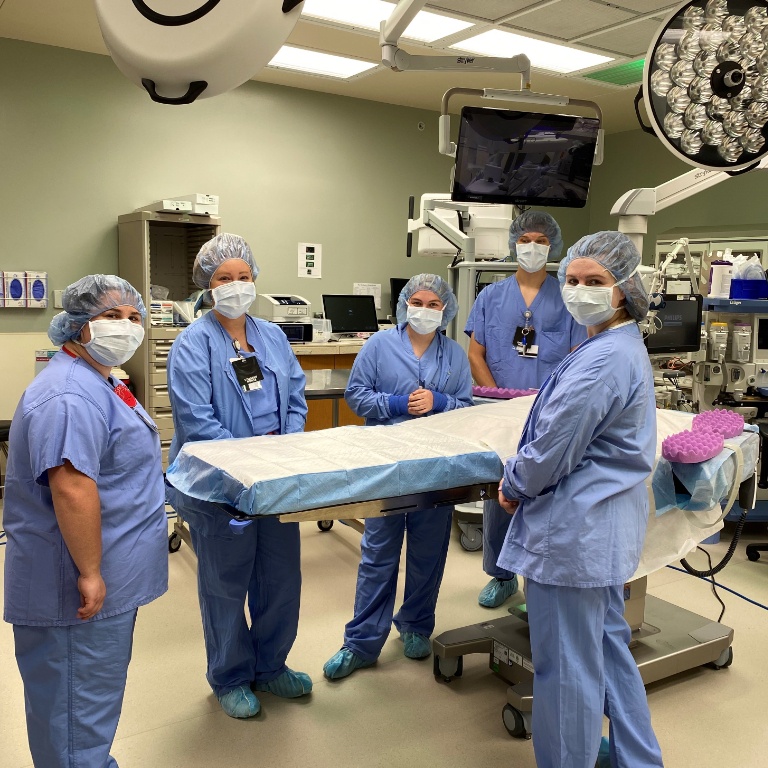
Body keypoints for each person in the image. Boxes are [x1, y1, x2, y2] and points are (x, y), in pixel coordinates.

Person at [497, 231, 663, 768]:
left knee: (567, 673)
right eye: (571, 280)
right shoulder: (616, 345)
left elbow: (553, 448)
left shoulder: (602, 359)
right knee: (609, 653)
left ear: (624, 290)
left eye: (595, 282)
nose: (579, 290)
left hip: (574, 538)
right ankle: (638, 760)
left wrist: (514, 483)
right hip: (601, 535)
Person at [3, 275, 168, 768]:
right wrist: (92, 573)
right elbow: (72, 488)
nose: (126, 326)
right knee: (77, 706)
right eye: (110, 316)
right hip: (74, 583)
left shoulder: (100, 379)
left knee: (82, 707)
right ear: (77, 325)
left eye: (134, 317)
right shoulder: (71, 394)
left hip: (98, 567)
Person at [166, 233, 310, 719]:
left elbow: (294, 398)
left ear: (255, 279)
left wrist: (285, 448)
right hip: (221, 485)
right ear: (207, 287)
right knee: (225, 584)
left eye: (243, 277)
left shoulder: (271, 336)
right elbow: (196, 419)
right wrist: (249, 462)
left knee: (281, 577)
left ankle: (271, 666)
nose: (235, 286)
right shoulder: (192, 345)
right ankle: (229, 676)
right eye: (224, 279)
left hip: (276, 480)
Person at [323, 274, 473, 680]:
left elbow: (467, 405)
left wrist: (441, 401)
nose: (425, 309)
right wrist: (395, 403)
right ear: (406, 304)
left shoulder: (455, 355)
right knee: (378, 552)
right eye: (418, 302)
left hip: (437, 467)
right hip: (387, 462)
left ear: (445, 311)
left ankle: (416, 625)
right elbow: (356, 395)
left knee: (429, 552)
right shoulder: (379, 346)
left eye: (434, 304)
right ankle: (361, 642)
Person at [466, 210, 586, 609]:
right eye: (526, 240)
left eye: (541, 241)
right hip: (500, 407)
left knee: (548, 490)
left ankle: (542, 576)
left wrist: (544, 403)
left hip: (551, 409)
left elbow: (574, 355)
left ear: (553, 246)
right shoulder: (490, 297)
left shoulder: (567, 296)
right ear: (513, 244)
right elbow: (476, 352)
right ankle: (501, 575)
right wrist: (503, 399)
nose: (532, 247)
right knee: (501, 488)